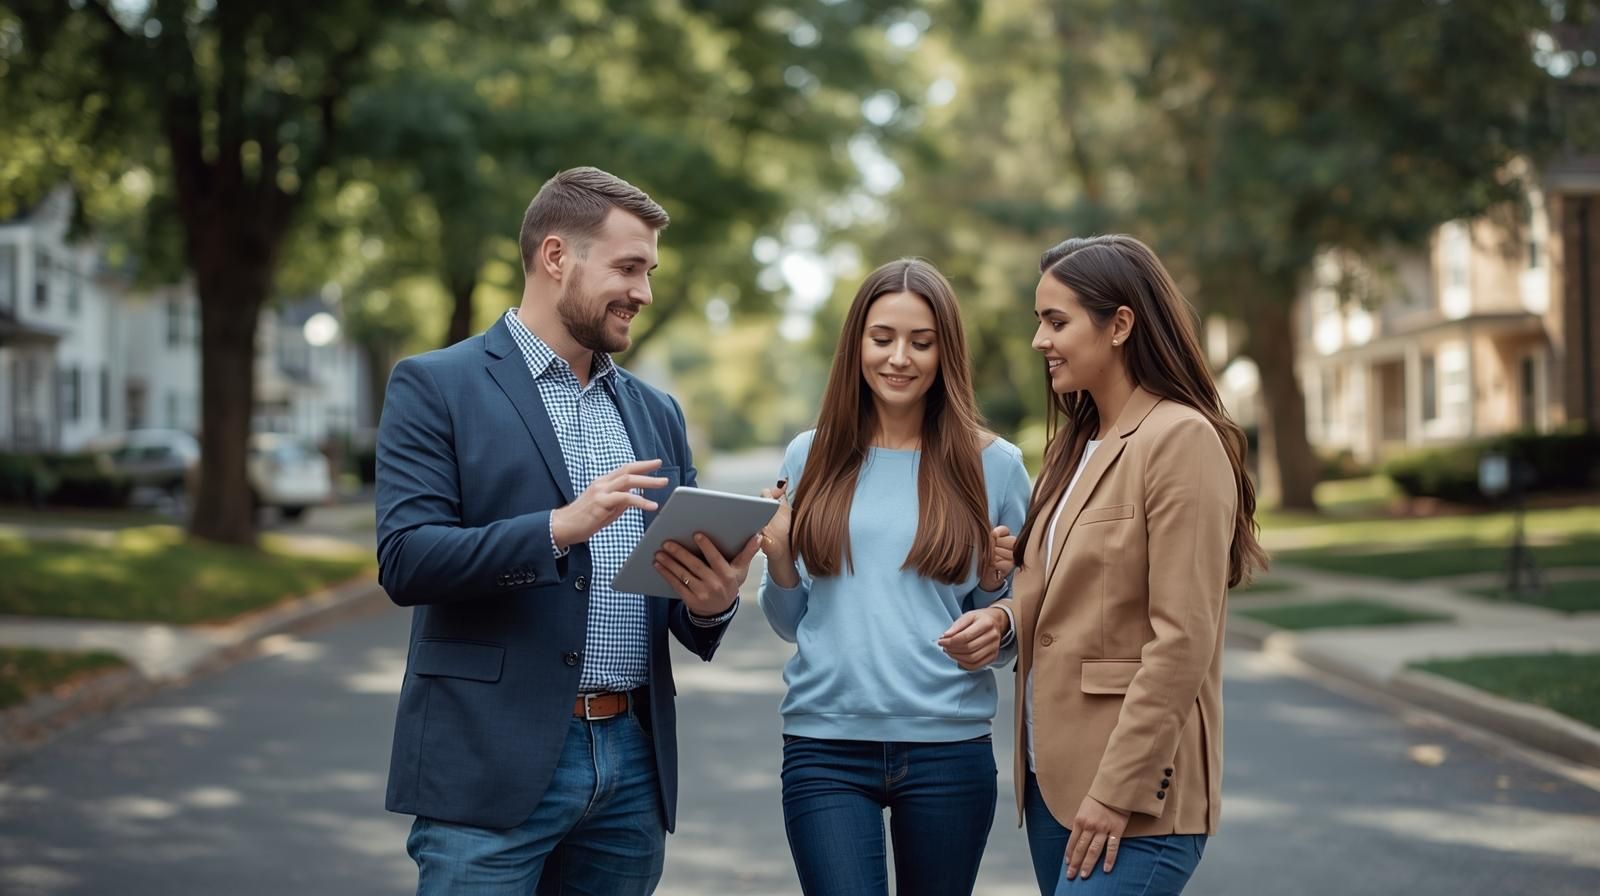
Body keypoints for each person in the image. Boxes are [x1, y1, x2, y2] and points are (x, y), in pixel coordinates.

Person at [375, 166, 760, 895]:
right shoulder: (436, 385)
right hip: (489, 766)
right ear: (557, 257)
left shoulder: (656, 412)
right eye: (628, 268)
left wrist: (712, 600)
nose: (644, 292)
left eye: (648, 271)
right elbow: (405, 558)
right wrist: (558, 528)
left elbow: (678, 606)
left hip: (630, 768)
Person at [990, 235, 1267, 895]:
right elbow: (1076, 598)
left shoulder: (1182, 439)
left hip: (1135, 798)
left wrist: (1117, 791)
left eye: (1056, 321)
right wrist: (1009, 608)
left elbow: (1182, 639)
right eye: (1039, 321)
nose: (1039, 341)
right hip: (1053, 783)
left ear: (1119, 324)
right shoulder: (1073, 448)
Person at [757, 258, 1033, 896]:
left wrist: (996, 603)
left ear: (946, 352)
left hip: (947, 747)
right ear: (857, 344)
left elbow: (1017, 622)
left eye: (921, 341)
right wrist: (777, 559)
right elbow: (791, 623)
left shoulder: (996, 466)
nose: (899, 358)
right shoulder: (811, 454)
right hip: (825, 746)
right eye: (882, 338)